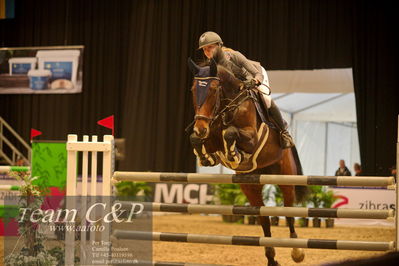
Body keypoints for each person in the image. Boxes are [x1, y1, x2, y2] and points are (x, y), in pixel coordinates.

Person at [197, 31, 294, 149]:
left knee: (266, 99)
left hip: (253, 76)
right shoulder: (210, 65)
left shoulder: (234, 55)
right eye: (204, 49)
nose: (207, 52)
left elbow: (256, 73)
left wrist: (254, 82)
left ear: (219, 45)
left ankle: (284, 132)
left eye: (210, 47)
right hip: (237, 87)